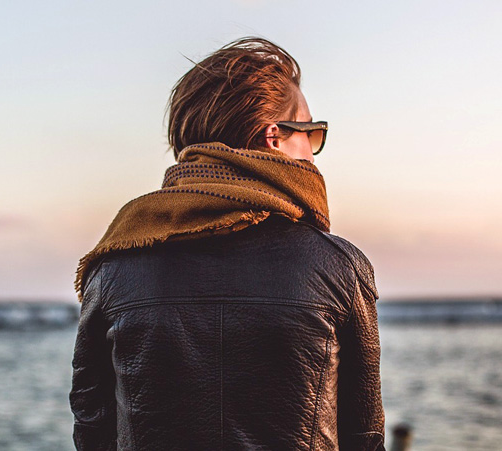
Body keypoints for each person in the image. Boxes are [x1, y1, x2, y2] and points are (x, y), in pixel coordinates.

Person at [69, 37, 385, 450]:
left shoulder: (112, 268)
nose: (313, 153)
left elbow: (92, 426)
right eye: (311, 133)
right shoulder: (339, 267)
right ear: (275, 137)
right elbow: (365, 437)